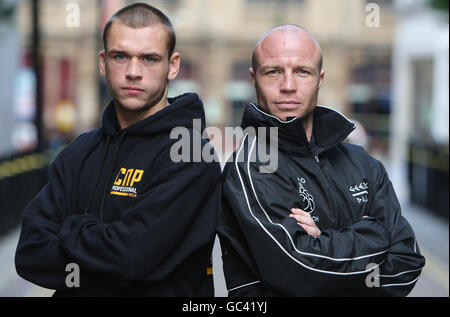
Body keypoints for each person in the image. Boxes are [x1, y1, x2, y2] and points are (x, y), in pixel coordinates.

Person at [15, 3, 221, 296]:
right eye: (120, 56)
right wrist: (108, 259)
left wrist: (71, 228)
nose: (133, 72)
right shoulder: (79, 152)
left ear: (172, 66)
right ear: (103, 62)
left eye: (149, 59)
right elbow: (30, 253)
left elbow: (131, 257)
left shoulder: (191, 156)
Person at [217, 24, 425, 296]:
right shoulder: (250, 166)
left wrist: (324, 242)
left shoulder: (362, 162)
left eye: (302, 72)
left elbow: (407, 264)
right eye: (273, 72)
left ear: (320, 78)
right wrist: (374, 232)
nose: (288, 86)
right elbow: (300, 270)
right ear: (254, 79)